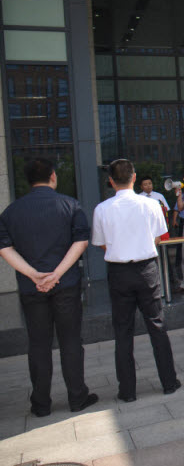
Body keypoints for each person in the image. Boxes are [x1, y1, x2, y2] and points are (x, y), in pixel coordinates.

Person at [0, 158, 97, 417]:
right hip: (66, 285)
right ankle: (77, 397)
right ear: (53, 176)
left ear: (28, 181)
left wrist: (34, 274)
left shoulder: (10, 212)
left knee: (38, 344)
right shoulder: (71, 205)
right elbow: (81, 242)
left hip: (32, 288)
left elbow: (4, 248)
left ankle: (41, 404)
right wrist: (57, 274)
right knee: (71, 341)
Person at [92, 159, 180, 403]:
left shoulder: (102, 209)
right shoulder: (150, 204)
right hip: (146, 269)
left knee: (122, 331)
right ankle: (169, 382)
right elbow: (159, 237)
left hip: (118, 272)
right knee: (157, 326)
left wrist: (120, 249)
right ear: (134, 177)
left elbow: (101, 243)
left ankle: (127, 391)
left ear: (111, 181)